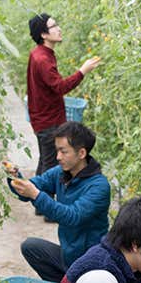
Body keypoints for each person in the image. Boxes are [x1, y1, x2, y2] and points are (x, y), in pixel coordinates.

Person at [7, 122, 110, 283]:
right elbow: (33, 186)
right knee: (31, 247)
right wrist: (16, 178)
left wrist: (35, 194)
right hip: (68, 257)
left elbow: (72, 216)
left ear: (81, 153)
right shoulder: (61, 173)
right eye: (57, 151)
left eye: (63, 152)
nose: (58, 157)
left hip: (92, 264)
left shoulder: (99, 186)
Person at [26, 13, 101, 176]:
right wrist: (82, 71)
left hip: (43, 118)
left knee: (46, 162)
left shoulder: (39, 53)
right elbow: (60, 87)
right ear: (44, 34)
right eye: (53, 26)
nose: (59, 29)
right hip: (48, 122)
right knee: (51, 167)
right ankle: (41, 198)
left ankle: (35, 196)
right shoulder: (43, 59)